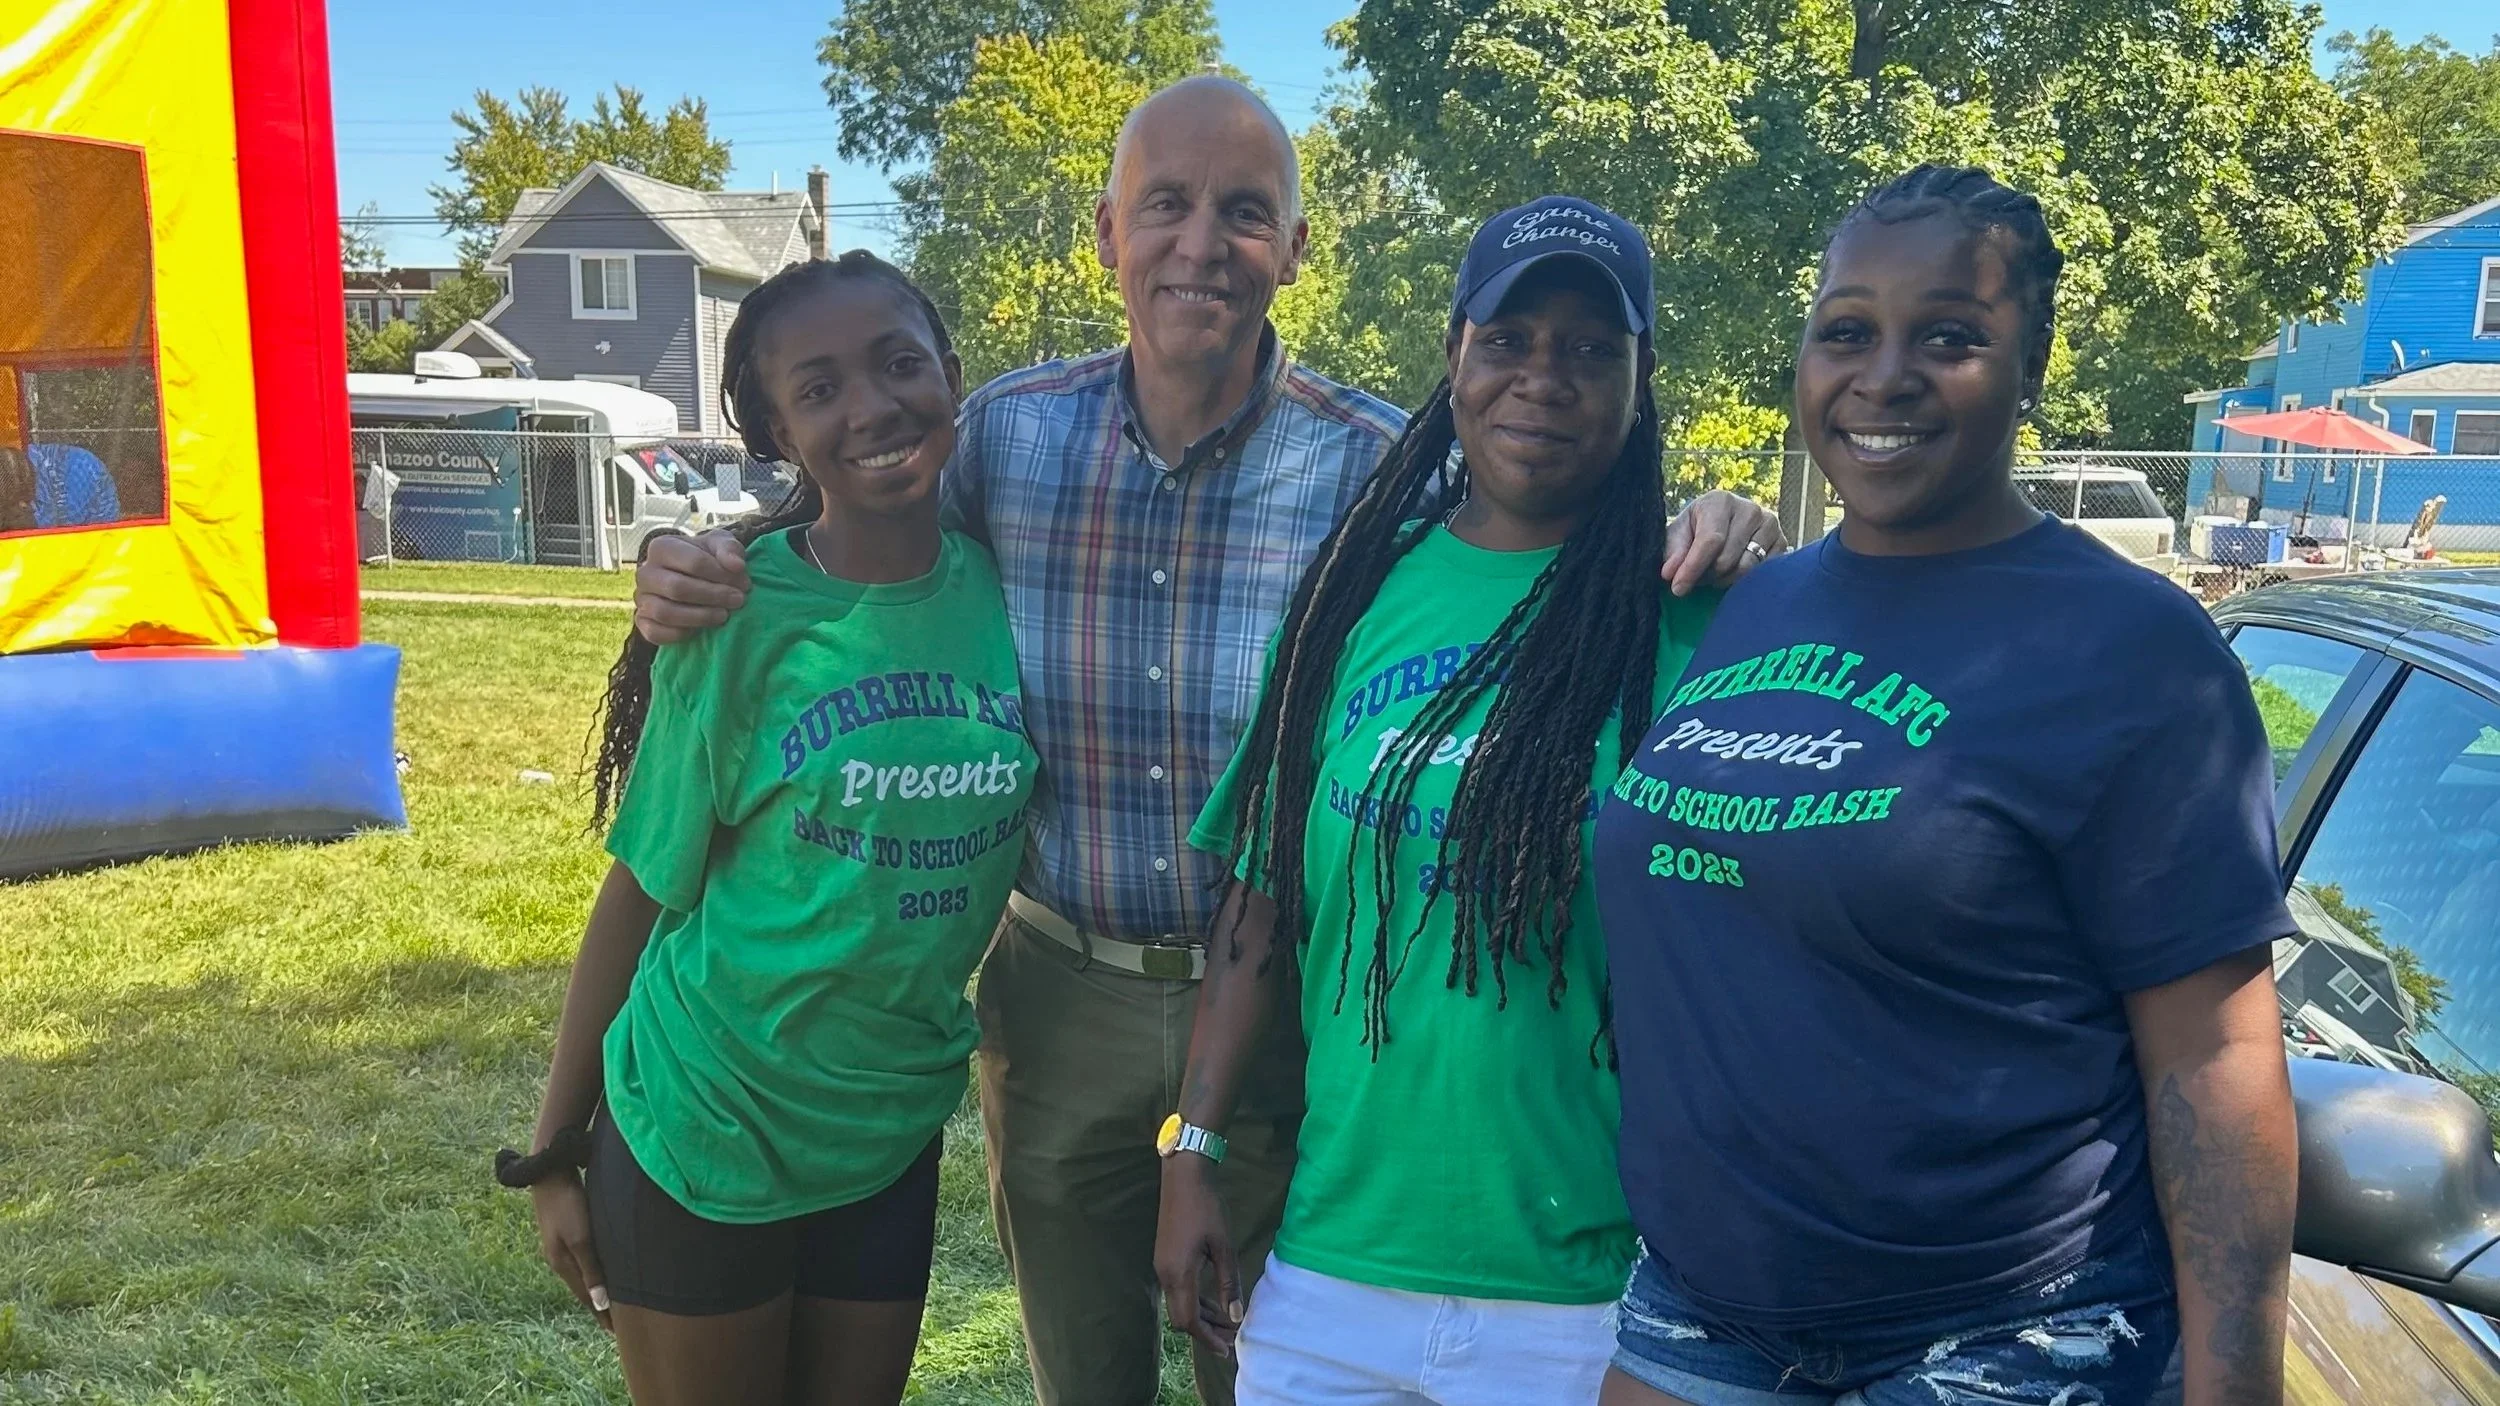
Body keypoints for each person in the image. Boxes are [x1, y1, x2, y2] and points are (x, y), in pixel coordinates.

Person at [629, 77, 1787, 1406]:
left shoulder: (1384, 472)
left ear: (1295, 246)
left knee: (1270, 1359)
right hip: (1061, 992)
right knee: (1084, 1372)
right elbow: (853, 531)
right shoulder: (1005, 433)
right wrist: (694, 557)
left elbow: (1550, 528)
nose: (1201, 244)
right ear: (1106, 230)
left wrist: (1720, 520)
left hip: (1281, 1005)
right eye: (1166, 206)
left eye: (1243, 211)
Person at [1592, 165, 2298, 1406]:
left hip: (2007, 1331)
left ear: (2030, 369)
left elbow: (2213, 1057)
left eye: (1949, 336)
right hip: (1706, 1305)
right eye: (1846, 331)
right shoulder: (1754, 603)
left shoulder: (2133, 650)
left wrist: (2235, 1384)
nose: (1884, 375)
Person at [1155, 195, 1721, 1404]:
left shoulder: (1695, 618)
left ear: (1639, 382)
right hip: (1335, 1268)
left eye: (1590, 348)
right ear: (1455, 353)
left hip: (1584, 1289)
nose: (1543, 378)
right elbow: (1259, 900)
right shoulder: (1352, 595)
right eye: (1508, 339)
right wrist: (1191, 1148)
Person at [506, 251, 1038, 1406]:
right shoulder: (739, 613)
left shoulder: (1009, 595)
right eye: (821, 388)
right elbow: (639, 890)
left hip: (885, 1128)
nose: (873, 406)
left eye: (899, 364)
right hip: (707, 1118)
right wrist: (551, 1150)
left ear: (951, 375)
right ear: (777, 433)